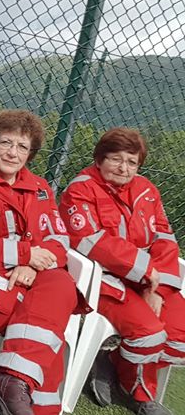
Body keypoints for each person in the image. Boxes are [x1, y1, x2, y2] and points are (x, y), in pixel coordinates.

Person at [0, 109, 82, 415]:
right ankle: (26, 400)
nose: (12, 152)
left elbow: (59, 240)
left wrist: (31, 265)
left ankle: (12, 384)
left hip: (29, 278)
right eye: (6, 142)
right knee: (48, 336)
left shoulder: (40, 188)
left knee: (60, 284)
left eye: (22, 146)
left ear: (30, 153)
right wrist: (25, 254)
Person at [59, 128, 184, 415]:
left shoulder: (147, 191)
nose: (124, 168)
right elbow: (91, 242)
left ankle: (113, 360)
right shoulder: (80, 189)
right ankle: (139, 395)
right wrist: (146, 271)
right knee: (149, 333)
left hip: (149, 282)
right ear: (99, 159)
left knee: (181, 335)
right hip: (102, 281)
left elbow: (164, 239)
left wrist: (159, 289)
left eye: (132, 162)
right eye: (116, 159)